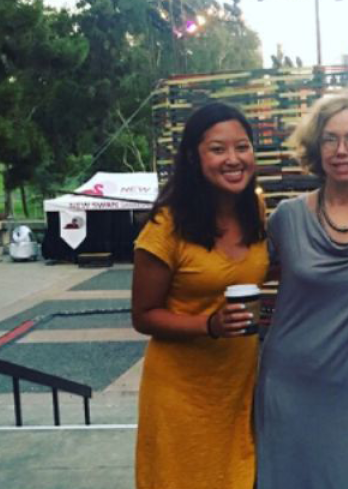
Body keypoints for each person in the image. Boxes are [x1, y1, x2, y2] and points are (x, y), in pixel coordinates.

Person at [254, 90, 348, 489]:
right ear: (315, 147)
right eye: (330, 138)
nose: (342, 149)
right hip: (290, 386)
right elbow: (234, 271)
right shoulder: (286, 217)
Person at [131, 103, 268, 489]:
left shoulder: (255, 209)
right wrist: (209, 324)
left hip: (238, 388)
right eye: (218, 149)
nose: (233, 159)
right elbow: (143, 315)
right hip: (181, 393)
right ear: (194, 157)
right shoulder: (166, 225)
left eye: (242, 147)